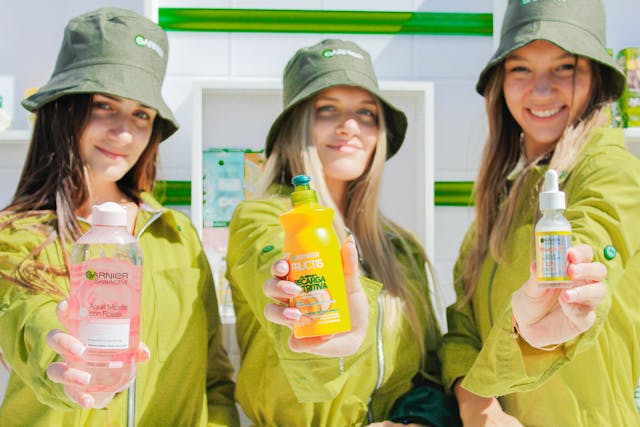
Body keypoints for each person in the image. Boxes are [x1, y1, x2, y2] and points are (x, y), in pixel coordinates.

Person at [0, 7, 239, 426]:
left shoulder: (176, 234)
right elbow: (25, 320)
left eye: (141, 115)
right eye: (103, 105)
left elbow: (213, 376)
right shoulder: (14, 235)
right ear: (62, 110)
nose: (124, 133)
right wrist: (60, 360)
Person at [226, 39, 458, 427]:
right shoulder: (263, 219)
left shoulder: (399, 248)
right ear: (296, 126)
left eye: (366, 114)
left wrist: (415, 422)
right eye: (327, 110)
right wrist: (300, 299)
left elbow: (429, 373)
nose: (350, 126)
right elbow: (278, 274)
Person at [440, 1, 640, 426]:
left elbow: (590, 246)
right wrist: (478, 404)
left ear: (596, 80)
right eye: (521, 69)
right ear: (501, 82)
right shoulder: (503, 196)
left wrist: (563, 298)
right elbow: (462, 325)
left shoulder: (612, 170)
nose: (542, 90)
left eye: (564, 68)